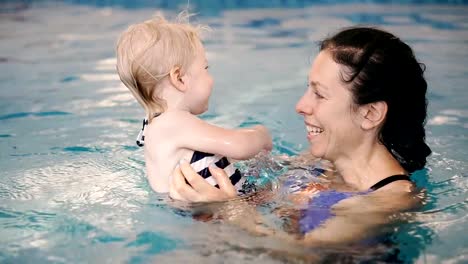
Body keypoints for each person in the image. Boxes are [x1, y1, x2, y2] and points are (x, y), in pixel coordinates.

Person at [169, 26, 432, 244]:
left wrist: (229, 209)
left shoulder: (390, 200)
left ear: (370, 114)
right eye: (309, 89)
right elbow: (261, 197)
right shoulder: (323, 161)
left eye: (319, 94)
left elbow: (299, 255)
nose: (301, 106)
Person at [115, 15, 272, 196]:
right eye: (205, 69)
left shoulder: (156, 124)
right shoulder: (172, 122)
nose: (211, 78)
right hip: (207, 216)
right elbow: (240, 146)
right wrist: (261, 134)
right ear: (180, 79)